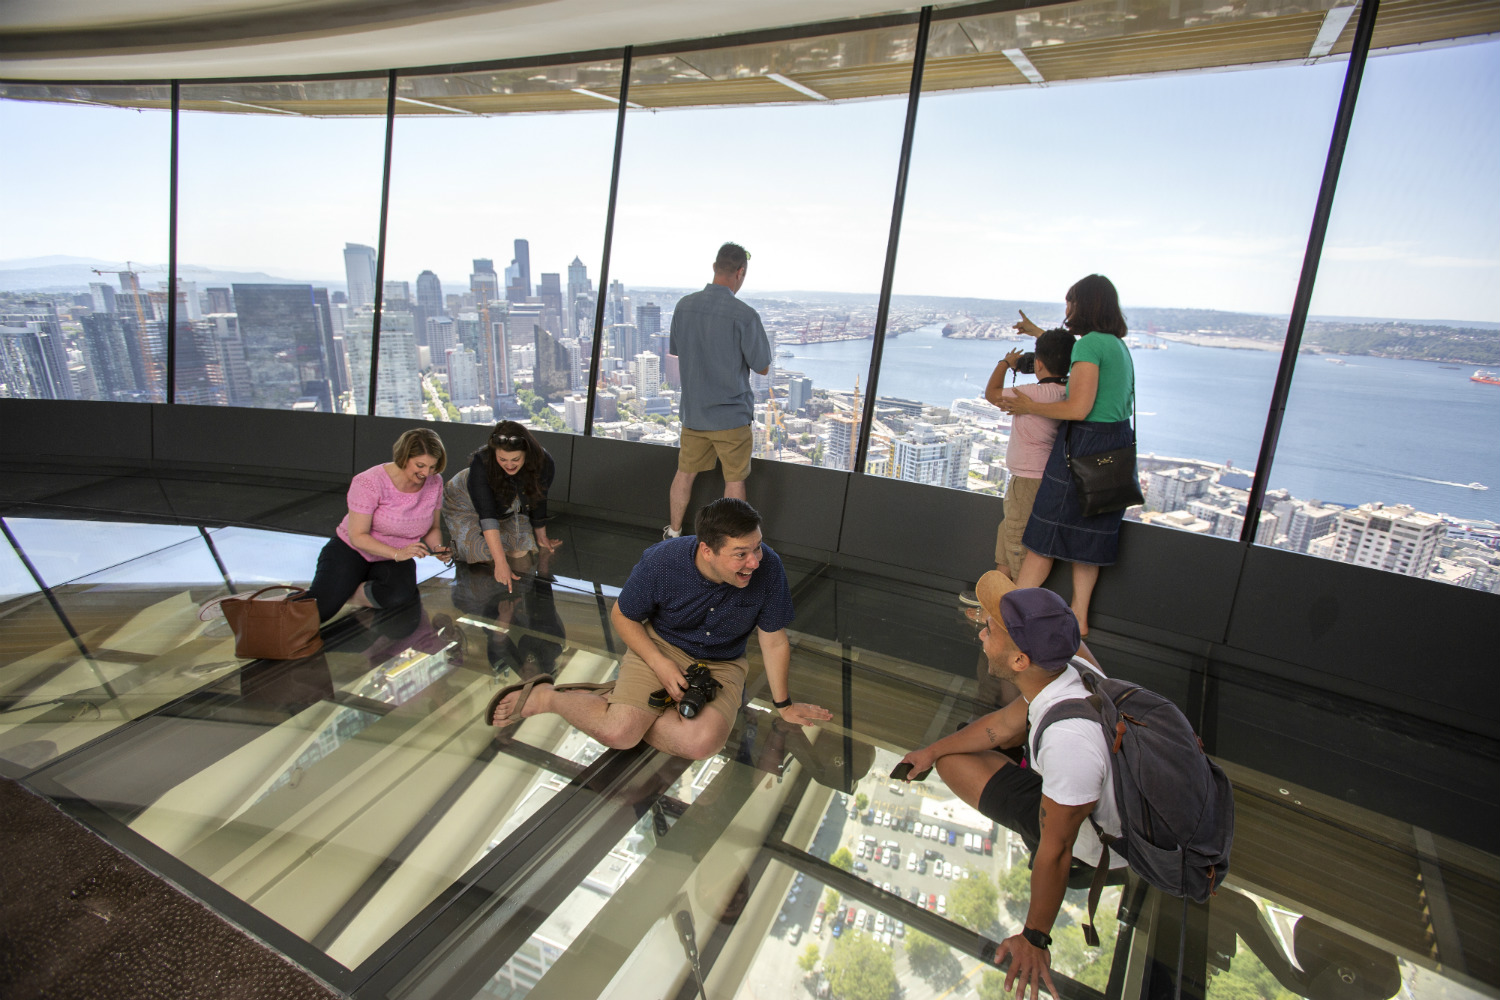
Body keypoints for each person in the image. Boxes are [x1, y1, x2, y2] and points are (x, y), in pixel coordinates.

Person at [895, 573, 1126, 1000]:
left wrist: (1035, 938)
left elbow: (1056, 850)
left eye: (992, 629)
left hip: (1090, 843)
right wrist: (929, 750)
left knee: (954, 764)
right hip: (1088, 782)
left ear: (1020, 661)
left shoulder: (1068, 744)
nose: (981, 632)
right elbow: (1001, 725)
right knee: (958, 743)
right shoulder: (1070, 664)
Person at [486, 498, 831, 760]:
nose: (755, 561)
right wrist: (660, 665)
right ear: (707, 550)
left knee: (702, 744)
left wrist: (783, 705)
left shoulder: (768, 568)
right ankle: (549, 696)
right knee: (620, 734)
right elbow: (623, 617)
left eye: (757, 547)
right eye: (741, 554)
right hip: (660, 647)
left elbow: (772, 642)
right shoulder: (662, 561)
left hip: (722, 661)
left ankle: (619, 701)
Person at [997, 274, 1136, 635]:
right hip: (1114, 449)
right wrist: (1037, 333)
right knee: (1089, 534)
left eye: (1071, 302)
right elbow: (1068, 353)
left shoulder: (1090, 345)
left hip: (1083, 445)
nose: (1067, 309)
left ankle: (1013, 614)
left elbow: (1078, 407)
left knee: (1045, 533)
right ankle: (1079, 615)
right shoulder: (1116, 345)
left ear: (1084, 305)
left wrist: (1031, 405)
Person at [664, 242, 772, 540]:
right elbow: (762, 366)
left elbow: (676, 350)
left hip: (694, 414)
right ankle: (731, 544)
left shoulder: (684, 306)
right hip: (731, 416)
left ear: (714, 267)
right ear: (740, 272)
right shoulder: (745, 314)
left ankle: (673, 533)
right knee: (734, 481)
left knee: (684, 474)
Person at [306, 427, 452, 623]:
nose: (426, 473)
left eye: (433, 467)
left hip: (395, 557)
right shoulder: (369, 481)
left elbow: (433, 528)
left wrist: (437, 548)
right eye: (420, 465)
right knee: (319, 611)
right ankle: (334, 593)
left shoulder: (435, 482)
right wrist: (397, 553)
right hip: (352, 549)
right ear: (404, 457)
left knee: (400, 597)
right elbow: (358, 536)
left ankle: (346, 591)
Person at [980, 328, 1073, 580]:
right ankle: (994, 606)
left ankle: (1014, 612)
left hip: (1027, 480)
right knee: (1007, 535)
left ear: (1038, 363)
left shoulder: (1032, 393)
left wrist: (1006, 363)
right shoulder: (1069, 392)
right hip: (1048, 478)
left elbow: (992, 394)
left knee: (1017, 542)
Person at [443, 420, 560, 593]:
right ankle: (491, 605)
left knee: (522, 553)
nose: (509, 465)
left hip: (506, 505)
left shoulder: (543, 461)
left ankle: (513, 598)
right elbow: (487, 515)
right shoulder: (481, 462)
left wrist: (541, 535)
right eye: (502, 459)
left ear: (526, 453)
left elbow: (539, 497)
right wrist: (500, 563)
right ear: (494, 453)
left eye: (516, 459)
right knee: (483, 556)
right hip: (464, 502)